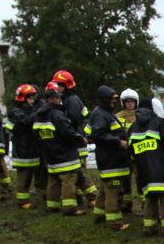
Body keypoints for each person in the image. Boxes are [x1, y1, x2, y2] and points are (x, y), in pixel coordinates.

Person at [128, 97, 164, 237]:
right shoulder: (159, 123)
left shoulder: (132, 128)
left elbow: (130, 151)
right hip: (163, 170)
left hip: (143, 172)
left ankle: (149, 228)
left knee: (149, 200)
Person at [33, 81, 86, 215]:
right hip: (64, 154)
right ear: (52, 99)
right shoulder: (57, 114)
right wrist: (80, 138)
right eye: (57, 98)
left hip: (50, 155)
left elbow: (36, 134)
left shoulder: (39, 115)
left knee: (53, 181)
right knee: (68, 180)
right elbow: (67, 131)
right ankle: (69, 208)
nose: (60, 100)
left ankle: (52, 205)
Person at [52, 69, 98, 207]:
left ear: (66, 85)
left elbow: (74, 120)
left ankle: (92, 197)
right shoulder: (67, 99)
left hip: (77, 141)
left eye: (59, 85)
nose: (57, 87)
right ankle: (82, 197)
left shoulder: (71, 100)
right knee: (75, 172)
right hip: (73, 141)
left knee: (80, 171)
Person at [88, 85, 131, 231]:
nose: (114, 102)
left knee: (103, 190)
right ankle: (115, 223)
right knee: (114, 191)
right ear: (105, 99)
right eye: (112, 99)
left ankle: (99, 216)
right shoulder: (101, 115)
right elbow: (98, 134)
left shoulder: (104, 113)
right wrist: (119, 142)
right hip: (110, 160)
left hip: (109, 160)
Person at [8, 84, 42, 209]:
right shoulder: (16, 112)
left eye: (34, 98)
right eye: (31, 98)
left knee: (34, 174)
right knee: (24, 177)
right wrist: (39, 112)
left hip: (31, 148)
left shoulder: (30, 110)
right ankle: (22, 201)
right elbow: (25, 123)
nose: (33, 101)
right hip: (22, 150)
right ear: (23, 98)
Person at [116, 88, 139, 213]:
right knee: (125, 180)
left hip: (137, 153)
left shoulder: (140, 115)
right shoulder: (118, 117)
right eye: (127, 101)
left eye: (132, 101)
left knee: (140, 178)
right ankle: (126, 203)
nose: (130, 104)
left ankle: (144, 205)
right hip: (123, 153)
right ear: (123, 103)